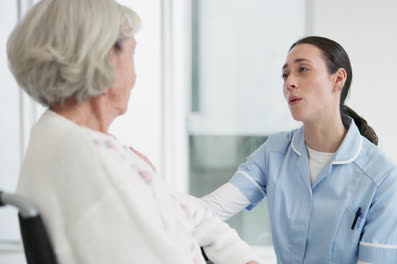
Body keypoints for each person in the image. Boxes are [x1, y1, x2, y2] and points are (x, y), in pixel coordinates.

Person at [8, 0, 259, 263]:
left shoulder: (63, 138)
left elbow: (182, 212)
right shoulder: (94, 164)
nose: (135, 75)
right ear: (106, 58)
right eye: (131, 54)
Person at [197, 36, 397, 264]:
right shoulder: (274, 151)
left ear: (338, 79)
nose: (289, 83)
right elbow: (207, 210)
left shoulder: (383, 175)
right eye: (285, 75)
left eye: (303, 69)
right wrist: (154, 192)